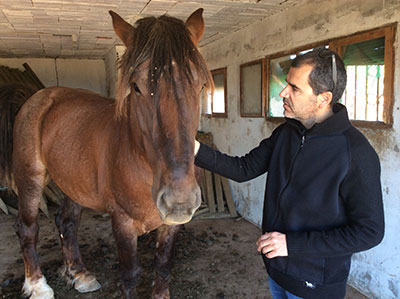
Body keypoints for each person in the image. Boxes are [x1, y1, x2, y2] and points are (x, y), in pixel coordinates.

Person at [194, 48, 384, 299]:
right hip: (276, 271)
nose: (283, 93)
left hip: (315, 286)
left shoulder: (356, 152)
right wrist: (189, 147)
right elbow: (242, 169)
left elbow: (370, 232)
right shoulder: (286, 133)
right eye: (287, 85)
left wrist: (291, 245)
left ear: (323, 98)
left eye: (295, 88)